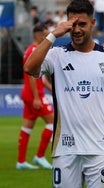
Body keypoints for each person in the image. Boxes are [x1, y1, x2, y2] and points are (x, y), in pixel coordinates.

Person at [23, 0, 104, 187]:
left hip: (101, 149)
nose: (76, 29)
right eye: (72, 24)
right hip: (65, 150)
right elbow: (29, 67)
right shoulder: (56, 55)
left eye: (82, 24)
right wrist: (53, 34)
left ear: (93, 22)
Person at [17, 24, 54, 170]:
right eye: (45, 34)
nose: (46, 37)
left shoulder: (32, 50)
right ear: (38, 35)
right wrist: (37, 98)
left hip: (29, 94)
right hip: (34, 95)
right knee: (53, 121)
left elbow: (41, 79)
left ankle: (21, 162)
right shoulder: (33, 50)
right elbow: (32, 76)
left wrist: (53, 89)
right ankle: (39, 156)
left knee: (27, 127)